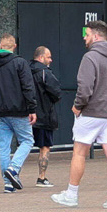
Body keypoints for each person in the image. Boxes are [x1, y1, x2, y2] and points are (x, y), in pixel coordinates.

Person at [56, 13, 107, 208]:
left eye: (86, 35)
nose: (84, 38)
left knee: (79, 153)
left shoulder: (90, 57)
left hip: (92, 112)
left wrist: (78, 106)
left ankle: (71, 194)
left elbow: (85, 87)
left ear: (96, 36)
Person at [0, 32, 39, 191]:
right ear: (14, 46)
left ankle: (8, 183)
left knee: (3, 148)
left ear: (0, 46)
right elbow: (28, 87)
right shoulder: (20, 62)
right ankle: (13, 169)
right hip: (19, 111)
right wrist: (32, 108)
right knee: (27, 141)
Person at [29, 44, 64, 187]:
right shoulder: (45, 73)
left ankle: (12, 175)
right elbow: (57, 93)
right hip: (44, 116)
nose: (51, 60)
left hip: (25, 116)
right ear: (41, 57)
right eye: (49, 57)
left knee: (24, 145)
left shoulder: (25, 71)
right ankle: (42, 178)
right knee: (45, 147)